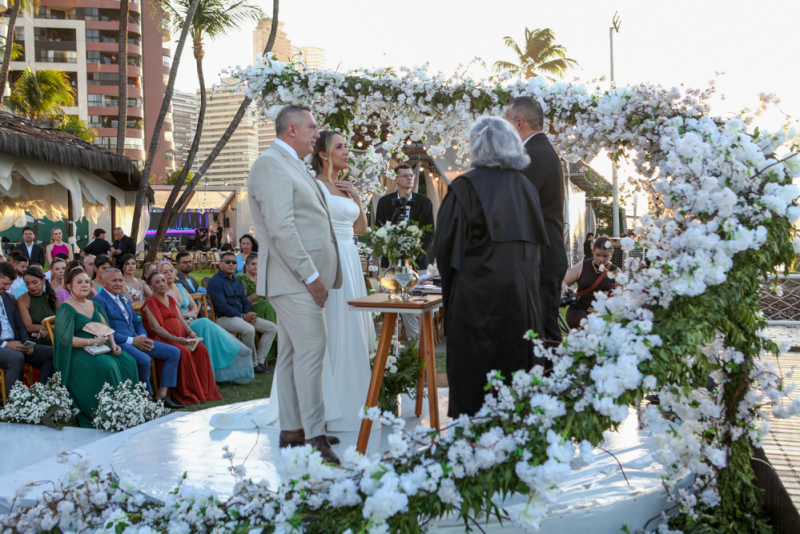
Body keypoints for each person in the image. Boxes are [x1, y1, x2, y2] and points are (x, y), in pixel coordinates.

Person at [246, 105, 342, 464]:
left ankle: (291, 429)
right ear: (291, 130)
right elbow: (281, 228)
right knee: (313, 348)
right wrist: (312, 275)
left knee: (289, 354)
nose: (317, 133)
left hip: (297, 277)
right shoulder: (270, 164)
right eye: (312, 127)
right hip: (293, 277)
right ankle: (314, 435)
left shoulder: (293, 164)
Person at [433, 116, 547, 418]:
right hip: (522, 302)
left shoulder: (465, 187)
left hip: (477, 303)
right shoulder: (527, 187)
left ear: (477, 147)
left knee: (477, 381)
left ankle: (476, 445)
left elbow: (445, 253)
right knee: (515, 375)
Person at [505, 96, 568, 352]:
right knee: (541, 334)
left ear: (519, 123)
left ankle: (548, 389)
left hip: (541, 260)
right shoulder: (541, 151)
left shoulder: (533, 156)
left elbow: (515, 208)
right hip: (544, 257)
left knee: (542, 337)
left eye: (506, 122)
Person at [53, 268, 139, 428]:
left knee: (128, 361)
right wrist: (92, 342)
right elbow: (65, 339)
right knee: (105, 366)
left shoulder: (93, 304)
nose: (84, 285)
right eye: (79, 282)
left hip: (101, 345)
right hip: (78, 351)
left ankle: (129, 407)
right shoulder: (65, 308)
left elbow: (105, 327)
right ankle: (104, 411)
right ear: (69, 286)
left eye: (87, 281)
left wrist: (113, 345)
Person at [93, 268, 184, 408]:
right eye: (114, 280)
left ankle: (162, 395)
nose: (118, 283)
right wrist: (132, 341)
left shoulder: (124, 298)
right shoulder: (98, 301)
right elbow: (105, 330)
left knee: (174, 352)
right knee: (144, 360)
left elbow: (136, 322)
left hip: (138, 339)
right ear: (103, 282)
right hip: (120, 342)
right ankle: (146, 397)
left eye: (120, 280)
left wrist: (142, 336)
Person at [158, 262, 254, 384]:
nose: (169, 274)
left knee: (206, 328)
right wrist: (188, 315)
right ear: (159, 275)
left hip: (192, 321)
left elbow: (193, 305)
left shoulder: (180, 287)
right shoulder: (161, 292)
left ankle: (214, 373)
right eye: (164, 272)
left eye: (171, 270)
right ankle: (232, 348)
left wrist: (192, 313)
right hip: (178, 324)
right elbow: (168, 314)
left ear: (175, 272)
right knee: (204, 322)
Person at [374, 163, 435, 341]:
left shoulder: (424, 202)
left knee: (415, 309)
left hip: (417, 265)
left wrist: (414, 253)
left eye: (411, 175)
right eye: (405, 175)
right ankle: (392, 349)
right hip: (390, 265)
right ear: (396, 180)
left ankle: (417, 348)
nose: (409, 178)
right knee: (391, 307)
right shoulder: (385, 202)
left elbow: (430, 233)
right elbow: (378, 230)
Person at [142, 272, 222, 406]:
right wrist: (176, 339)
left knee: (200, 348)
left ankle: (203, 389)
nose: (162, 284)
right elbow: (155, 328)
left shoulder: (171, 299)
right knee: (183, 352)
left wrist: (190, 333)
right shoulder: (150, 302)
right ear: (151, 286)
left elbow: (181, 320)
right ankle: (186, 391)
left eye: (163, 281)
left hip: (180, 337)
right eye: (157, 282)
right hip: (162, 338)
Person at [207, 251, 278, 374]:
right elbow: (222, 306)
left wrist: (248, 314)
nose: (231, 264)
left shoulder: (237, 281)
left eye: (234, 262)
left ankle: (260, 361)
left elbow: (245, 301)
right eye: (227, 262)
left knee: (271, 328)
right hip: (225, 318)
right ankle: (252, 364)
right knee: (249, 329)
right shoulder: (215, 282)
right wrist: (243, 316)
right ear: (220, 264)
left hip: (241, 317)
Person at [0, 262, 55, 398]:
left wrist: (26, 342)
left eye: (9, 285)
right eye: (4, 284)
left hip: (16, 343)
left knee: (53, 353)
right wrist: (5, 344)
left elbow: (19, 325)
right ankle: (16, 404)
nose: (7, 288)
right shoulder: (17, 298)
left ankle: (39, 396)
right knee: (16, 357)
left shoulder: (9, 298)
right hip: (2, 346)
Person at [562, 236, 618, 330]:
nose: (601, 259)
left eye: (605, 256)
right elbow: (564, 282)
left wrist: (602, 309)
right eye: (598, 255)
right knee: (587, 326)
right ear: (592, 252)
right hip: (579, 310)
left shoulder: (616, 272)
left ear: (611, 254)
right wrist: (564, 287)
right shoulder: (582, 266)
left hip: (604, 312)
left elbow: (620, 299)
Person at [237, 252, 278, 362]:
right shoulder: (242, 279)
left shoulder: (262, 278)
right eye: (253, 264)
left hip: (266, 306)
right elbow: (243, 301)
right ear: (246, 265)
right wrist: (257, 294)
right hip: (251, 309)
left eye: (258, 264)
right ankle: (270, 351)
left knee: (275, 306)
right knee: (268, 305)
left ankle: (278, 348)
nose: (256, 267)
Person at [17, 267, 59, 346]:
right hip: (37, 336)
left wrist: (51, 329)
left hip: (55, 332)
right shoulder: (22, 300)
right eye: (27, 284)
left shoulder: (52, 297)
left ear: (43, 280)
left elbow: (61, 320)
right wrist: (52, 328)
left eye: (34, 282)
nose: (31, 286)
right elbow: (29, 327)